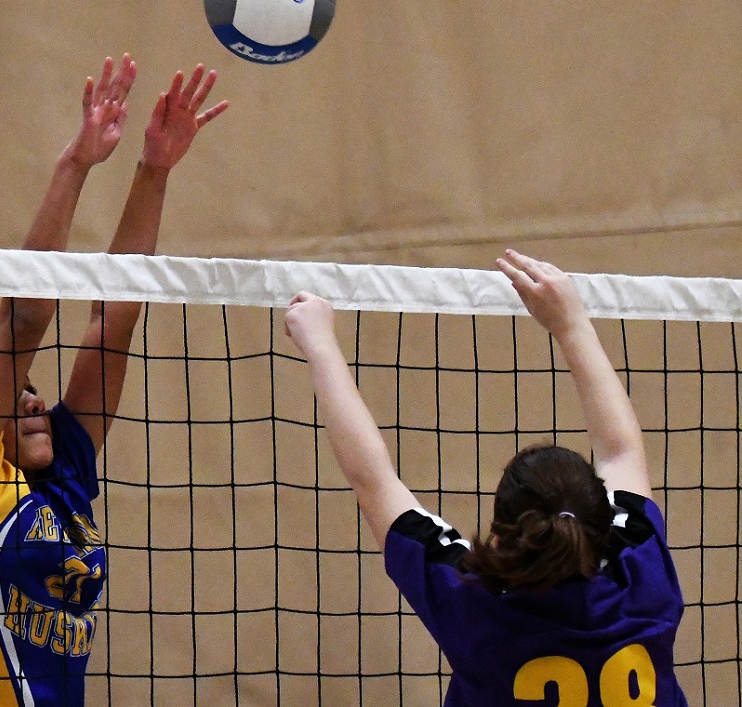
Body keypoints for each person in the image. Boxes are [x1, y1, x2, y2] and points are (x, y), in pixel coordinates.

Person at [0, 54, 228, 706]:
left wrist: (153, 169)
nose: (33, 395)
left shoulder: (62, 473)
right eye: (13, 389)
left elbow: (110, 322)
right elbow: (25, 317)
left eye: (30, 384)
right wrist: (76, 164)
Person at [283, 250, 686, 706]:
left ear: (500, 538)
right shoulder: (642, 574)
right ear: (602, 527)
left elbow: (372, 479)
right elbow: (622, 451)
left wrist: (319, 345)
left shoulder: (473, 606)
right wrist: (571, 323)